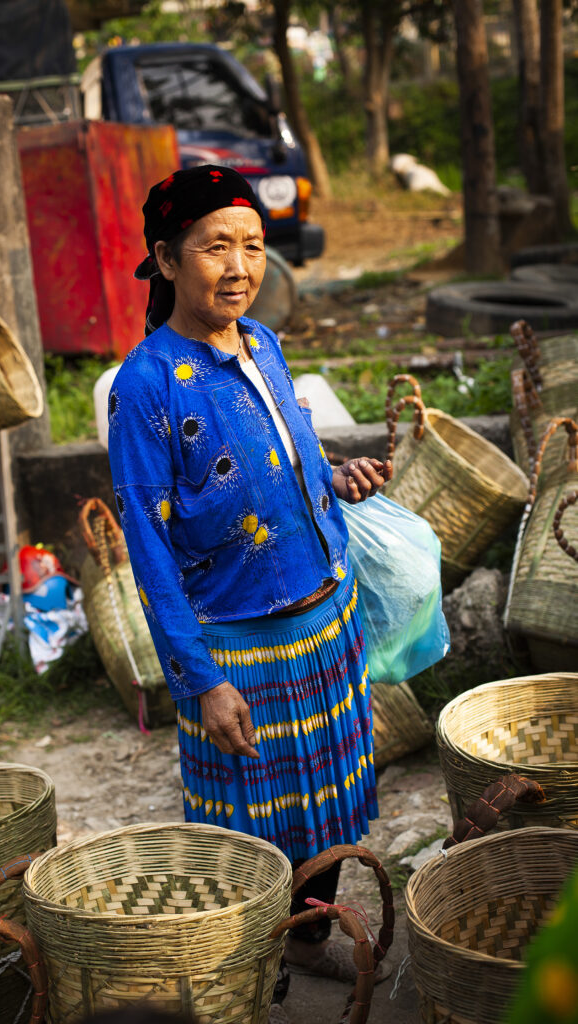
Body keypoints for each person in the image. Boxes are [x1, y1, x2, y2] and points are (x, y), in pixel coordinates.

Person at [108, 165, 392, 1024]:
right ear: (164, 257)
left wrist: (333, 480)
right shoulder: (146, 388)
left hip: (324, 622)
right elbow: (150, 552)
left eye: (253, 246)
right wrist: (201, 678)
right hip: (240, 648)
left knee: (331, 798)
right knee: (255, 828)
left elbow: (281, 455)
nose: (239, 266)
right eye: (215, 247)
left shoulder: (261, 343)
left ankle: (309, 943)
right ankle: (251, 977)